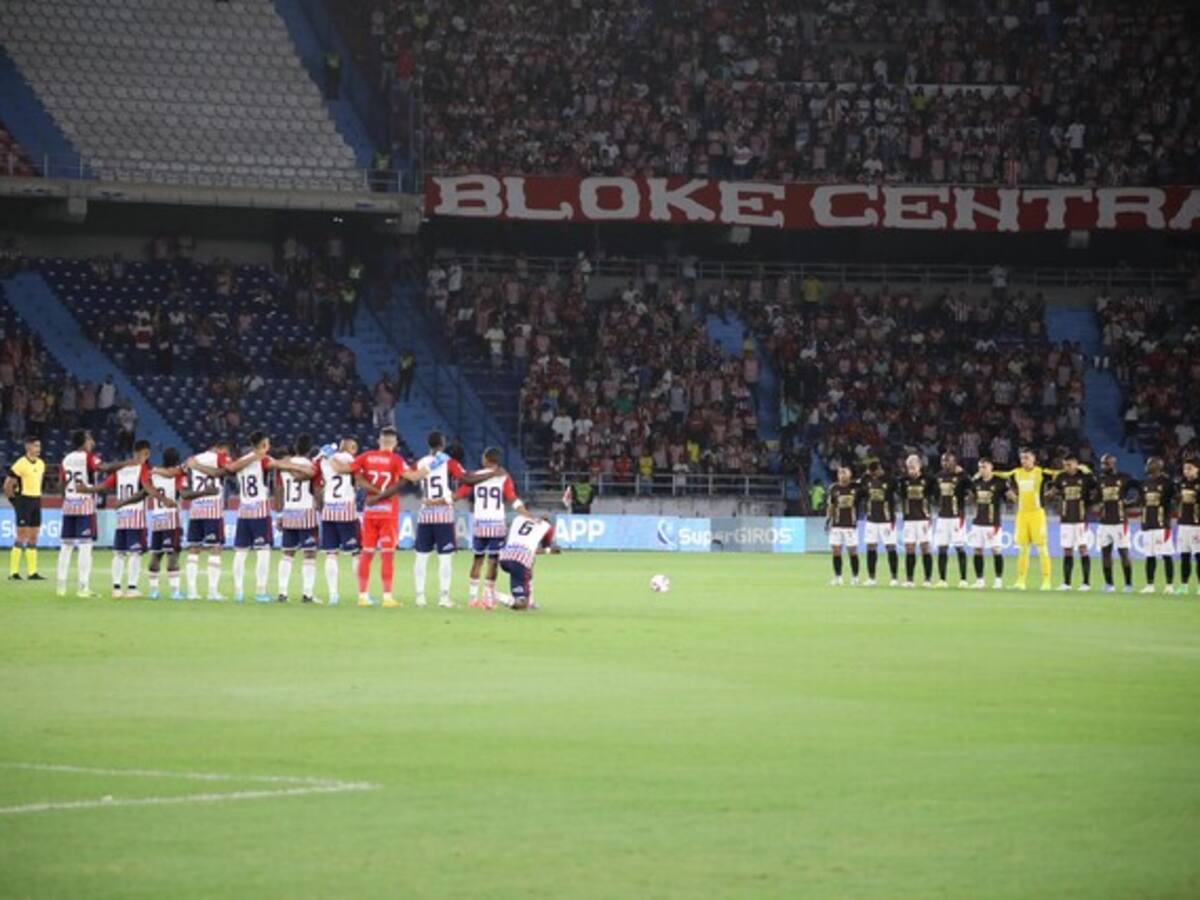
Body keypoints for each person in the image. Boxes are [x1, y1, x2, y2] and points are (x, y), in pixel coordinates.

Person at [328, 426, 429, 607]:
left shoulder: (366, 457)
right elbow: (413, 477)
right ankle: (387, 597)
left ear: (379, 441)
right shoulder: (396, 460)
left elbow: (341, 469)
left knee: (366, 554)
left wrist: (329, 455)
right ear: (395, 443)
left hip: (370, 512)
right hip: (388, 512)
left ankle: (363, 596)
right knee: (387, 555)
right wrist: (430, 466)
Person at [82, 440, 171, 598]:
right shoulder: (143, 468)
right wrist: (163, 499)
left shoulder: (121, 469)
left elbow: (104, 486)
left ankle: (116, 588)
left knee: (119, 553)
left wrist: (87, 490)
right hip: (136, 518)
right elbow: (147, 487)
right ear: (146, 453)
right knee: (135, 554)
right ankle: (131, 588)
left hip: (121, 517)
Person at [455, 447, 524, 609]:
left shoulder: (476, 476)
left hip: (480, 523)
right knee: (493, 561)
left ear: (486, 459)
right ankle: (488, 598)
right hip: (496, 525)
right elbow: (512, 499)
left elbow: (460, 494)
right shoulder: (504, 477)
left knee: (477, 559)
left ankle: (473, 598)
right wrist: (525, 513)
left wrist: (444, 501)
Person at [993, 449, 1067, 591]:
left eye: (1026, 458)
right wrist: (989, 472)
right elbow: (1003, 475)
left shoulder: (1040, 472)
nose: (1024, 461)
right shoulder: (1016, 473)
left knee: (1042, 548)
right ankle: (1020, 581)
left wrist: (1080, 469)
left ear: (1034, 459)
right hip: (1022, 515)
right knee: (1023, 549)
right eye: (1022, 458)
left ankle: (1046, 581)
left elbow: (1058, 475)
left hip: (1037, 514)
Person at [411, 431, 467, 608]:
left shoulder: (421, 462)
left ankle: (420, 596)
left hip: (425, 513)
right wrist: (451, 497)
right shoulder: (448, 462)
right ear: (442, 444)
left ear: (428, 445)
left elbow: (410, 479)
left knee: (421, 557)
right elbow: (465, 480)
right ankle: (444, 597)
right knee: (445, 558)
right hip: (443, 514)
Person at [183, 439, 232, 601]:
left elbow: (184, 484)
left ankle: (191, 591)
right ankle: (212, 591)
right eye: (226, 451)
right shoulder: (219, 457)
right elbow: (224, 472)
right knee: (215, 549)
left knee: (193, 549)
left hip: (196, 509)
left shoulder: (191, 459)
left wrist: (195, 466)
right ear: (220, 448)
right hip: (213, 510)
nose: (226, 455)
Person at [275, 435, 320, 604]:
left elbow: (278, 490)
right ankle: (307, 594)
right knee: (309, 554)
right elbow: (316, 488)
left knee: (287, 553)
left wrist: (279, 514)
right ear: (309, 450)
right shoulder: (311, 465)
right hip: (306, 513)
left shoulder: (284, 466)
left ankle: (282, 592)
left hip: (289, 513)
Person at [58, 430, 101, 597]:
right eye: (90, 439)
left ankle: (61, 586)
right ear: (84, 442)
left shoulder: (66, 459)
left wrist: (66, 499)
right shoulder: (89, 458)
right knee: (85, 545)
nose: (93, 442)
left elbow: (61, 483)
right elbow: (102, 467)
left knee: (66, 546)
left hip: (69, 505)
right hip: (85, 505)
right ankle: (83, 587)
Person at [317, 437, 360, 606]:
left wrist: (327, 456)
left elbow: (321, 484)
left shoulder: (323, 461)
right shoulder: (349, 459)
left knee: (331, 553)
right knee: (356, 552)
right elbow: (351, 476)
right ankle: (361, 593)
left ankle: (333, 594)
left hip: (329, 510)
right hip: (346, 511)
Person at [1094, 453, 1137, 593]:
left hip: (1120, 522)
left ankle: (1128, 584)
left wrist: (1131, 503)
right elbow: (1098, 498)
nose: (1103, 466)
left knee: (1123, 553)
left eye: (1106, 463)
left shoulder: (1124, 478)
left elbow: (1142, 489)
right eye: (1102, 463)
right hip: (1104, 523)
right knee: (1105, 553)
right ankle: (1109, 584)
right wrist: (1097, 505)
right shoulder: (1100, 480)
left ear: (1113, 463)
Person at [497, 511, 557, 611]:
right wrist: (549, 550)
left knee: (529, 563)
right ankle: (495, 596)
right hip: (519, 561)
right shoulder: (548, 527)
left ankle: (529, 601)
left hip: (504, 557)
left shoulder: (519, 519)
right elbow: (546, 547)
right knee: (522, 606)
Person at [1054, 455, 1097, 591]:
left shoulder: (1085, 477)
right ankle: (1066, 583)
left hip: (1080, 519)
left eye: (1069, 465)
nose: (1067, 467)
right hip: (1066, 519)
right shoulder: (1061, 477)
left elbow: (1096, 486)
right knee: (1067, 550)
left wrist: (1088, 471)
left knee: (1082, 549)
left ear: (1076, 464)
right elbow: (1055, 492)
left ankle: (1086, 583)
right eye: (1065, 465)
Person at [5, 436, 45, 581]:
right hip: (23, 500)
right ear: (28, 447)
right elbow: (8, 484)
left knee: (34, 537)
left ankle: (32, 572)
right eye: (35, 446)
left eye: (39, 446)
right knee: (21, 536)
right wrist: (14, 501)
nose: (38, 449)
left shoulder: (41, 464)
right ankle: (13, 572)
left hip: (36, 500)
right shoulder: (20, 464)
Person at [967, 459, 1007, 590]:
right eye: (980, 467)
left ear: (991, 467)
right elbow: (971, 499)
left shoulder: (999, 482)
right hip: (978, 522)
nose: (981, 469)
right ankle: (980, 580)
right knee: (977, 550)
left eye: (984, 467)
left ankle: (998, 580)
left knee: (996, 550)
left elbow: (1010, 496)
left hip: (992, 523)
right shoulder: (976, 483)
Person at [933, 452, 972, 588]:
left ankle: (963, 579)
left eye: (948, 460)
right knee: (942, 548)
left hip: (957, 518)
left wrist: (964, 473)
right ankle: (942, 580)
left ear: (955, 462)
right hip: (942, 517)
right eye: (943, 460)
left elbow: (972, 488)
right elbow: (933, 493)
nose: (945, 463)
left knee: (959, 548)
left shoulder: (961, 477)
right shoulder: (938, 477)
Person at [1138, 457, 1175, 594]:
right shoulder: (1144, 483)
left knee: (1166, 555)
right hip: (1148, 524)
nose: (1146, 466)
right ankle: (1149, 585)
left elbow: (1174, 500)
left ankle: (1169, 585)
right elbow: (1142, 503)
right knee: (1149, 556)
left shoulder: (1167, 483)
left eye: (1149, 464)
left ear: (1159, 466)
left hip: (1162, 526)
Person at [898, 454, 936, 588]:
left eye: (913, 467)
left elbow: (935, 493)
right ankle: (909, 580)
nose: (911, 470)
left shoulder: (929, 480)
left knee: (925, 548)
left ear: (919, 466)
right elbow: (901, 496)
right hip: (909, 520)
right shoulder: (903, 481)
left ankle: (927, 579)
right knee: (909, 548)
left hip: (923, 519)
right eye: (909, 468)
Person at [859, 460, 899, 586]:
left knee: (890, 547)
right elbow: (861, 488)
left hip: (887, 520)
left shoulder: (889, 480)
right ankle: (872, 578)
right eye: (871, 472)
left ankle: (894, 578)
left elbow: (896, 486)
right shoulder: (867, 480)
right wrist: (866, 475)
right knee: (871, 547)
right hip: (871, 519)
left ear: (879, 469)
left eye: (874, 471)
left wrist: (883, 475)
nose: (873, 475)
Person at [826, 466, 860, 587]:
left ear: (850, 475)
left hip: (850, 525)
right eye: (840, 473)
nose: (842, 475)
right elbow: (831, 506)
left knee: (852, 552)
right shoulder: (833, 488)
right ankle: (838, 577)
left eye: (845, 473)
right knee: (836, 551)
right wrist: (828, 520)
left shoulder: (855, 488)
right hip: (837, 525)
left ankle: (855, 577)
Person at [1175, 458, 1200, 594]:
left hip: (1197, 526)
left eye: (1189, 468)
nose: (1186, 471)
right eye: (1185, 469)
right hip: (1183, 525)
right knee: (1184, 556)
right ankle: (1184, 585)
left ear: (1197, 469)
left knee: (1198, 556)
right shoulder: (1181, 483)